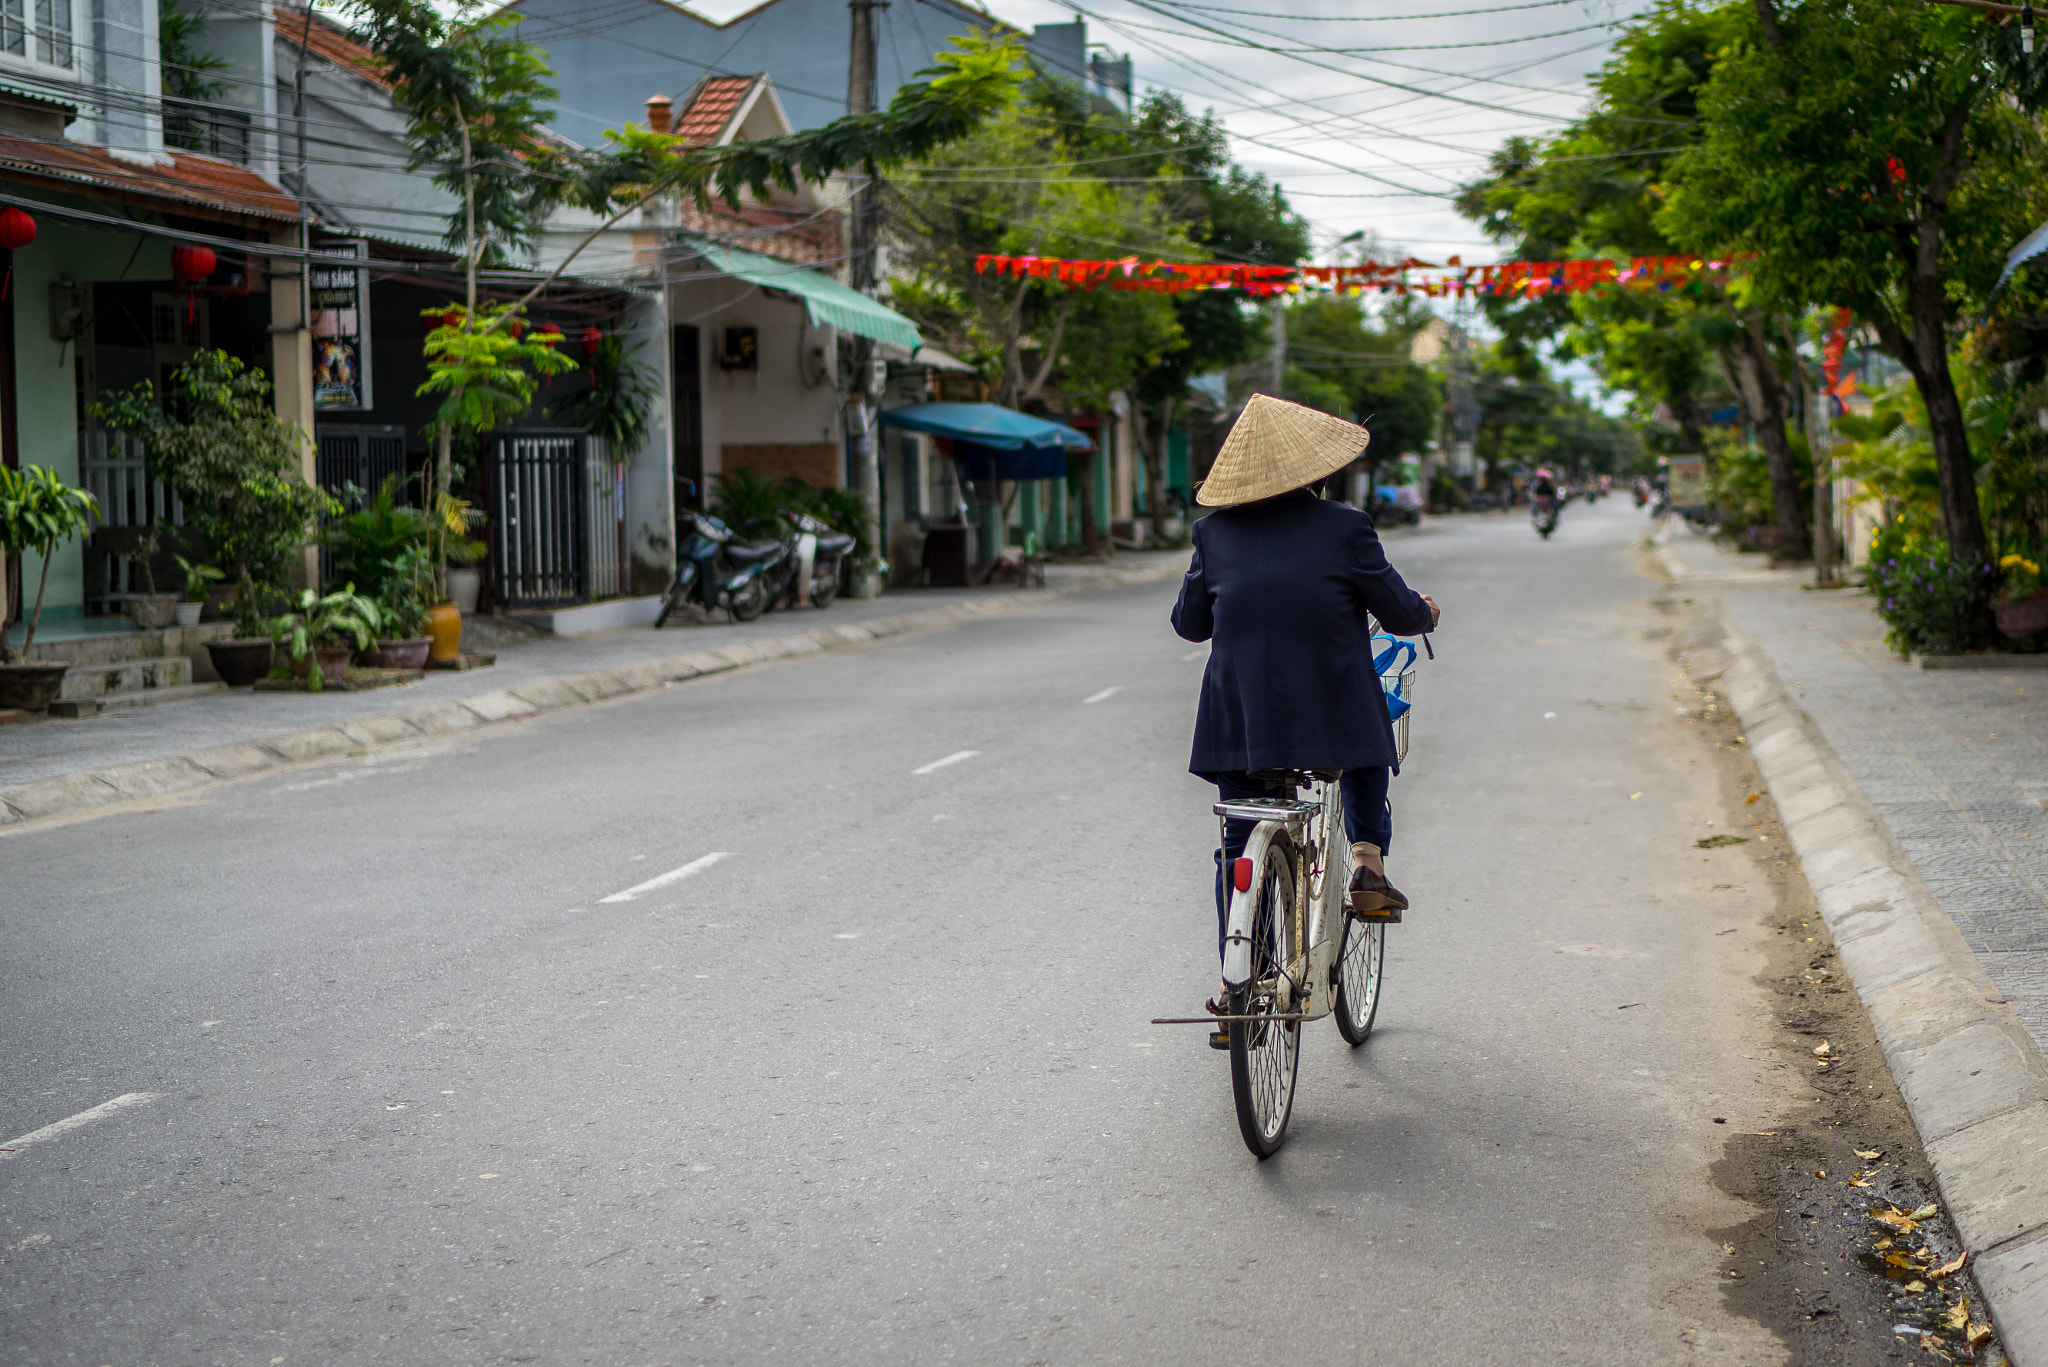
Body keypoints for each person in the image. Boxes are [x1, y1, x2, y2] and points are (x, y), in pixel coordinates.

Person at [1170, 395, 1438, 1033]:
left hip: (1238, 725)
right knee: (1371, 732)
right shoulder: (1345, 527)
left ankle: (1237, 975)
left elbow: (1189, 625)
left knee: (1238, 844)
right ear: (1317, 471)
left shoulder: (1213, 533)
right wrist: (1424, 613)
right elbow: (1399, 612)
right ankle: (1368, 859)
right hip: (1330, 722)